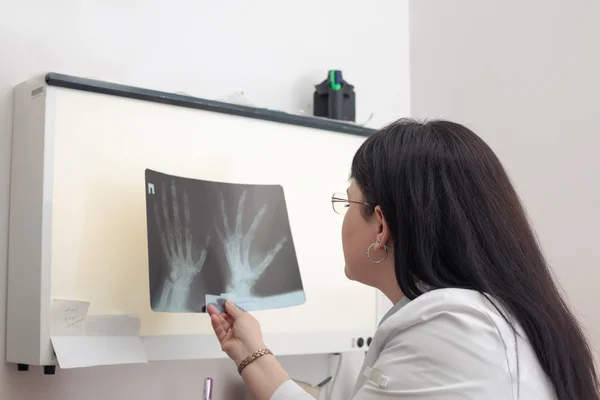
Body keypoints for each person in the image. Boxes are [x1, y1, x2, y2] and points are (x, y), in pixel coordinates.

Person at [207, 118, 599, 400]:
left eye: (348, 200)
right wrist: (250, 353)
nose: (343, 216)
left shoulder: (452, 328)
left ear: (381, 226)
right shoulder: (485, 315)